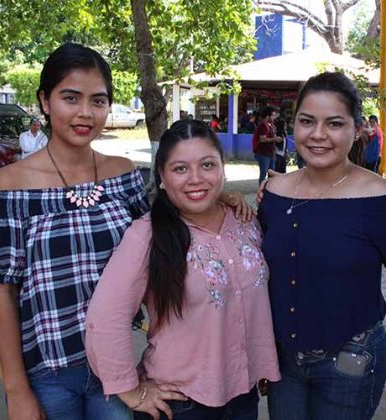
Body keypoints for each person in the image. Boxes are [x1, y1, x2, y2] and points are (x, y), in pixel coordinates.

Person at [0, 43, 150, 420]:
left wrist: (224, 203)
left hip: (116, 369)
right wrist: (16, 390)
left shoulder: (124, 176)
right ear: (45, 100)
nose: (85, 113)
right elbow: (2, 290)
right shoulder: (9, 185)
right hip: (47, 376)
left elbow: (162, 251)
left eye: (99, 101)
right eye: (70, 98)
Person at [85, 119, 280, 420]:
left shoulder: (244, 221)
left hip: (242, 396)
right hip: (181, 403)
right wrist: (131, 392)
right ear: (162, 176)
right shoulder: (147, 235)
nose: (195, 179)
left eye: (207, 165)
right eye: (180, 169)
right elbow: (105, 318)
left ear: (223, 168)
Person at [258, 72, 386, 419]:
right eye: (307, 121)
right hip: (285, 362)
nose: (318, 135)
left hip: (350, 361)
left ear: (358, 129)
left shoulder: (381, 198)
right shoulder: (276, 194)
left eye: (334, 123)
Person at [253, 106, 283, 184]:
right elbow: (262, 139)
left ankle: (269, 189)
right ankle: (262, 190)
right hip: (263, 153)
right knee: (264, 173)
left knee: (272, 173)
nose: (274, 117)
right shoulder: (263, 125)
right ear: (267, 116)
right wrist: (275, 139)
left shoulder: (269, 125)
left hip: (270, 152)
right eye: (272, 115)